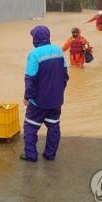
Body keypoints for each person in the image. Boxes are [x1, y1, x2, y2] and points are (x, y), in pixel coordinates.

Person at [20, 25, 69, 162]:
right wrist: (59, 92)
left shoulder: (34, 54)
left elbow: (30, 79)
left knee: (30, 126)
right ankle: (50, 154)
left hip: (38, 102)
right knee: (53, 126)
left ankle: (31, 155)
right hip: (56, 100)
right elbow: (65, 76)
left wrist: (27, 97)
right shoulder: (59, 51)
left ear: (35, 39)